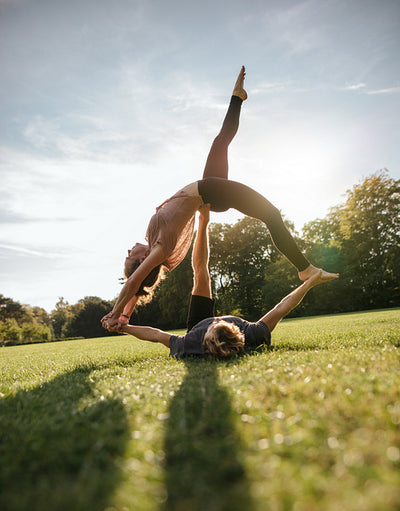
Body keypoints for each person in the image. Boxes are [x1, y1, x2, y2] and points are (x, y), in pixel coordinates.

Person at [101, 66, 338, 331]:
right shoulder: (160, 250)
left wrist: (123, 316)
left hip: (209, 193)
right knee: (271, 214)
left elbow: (136, 289)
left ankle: (238, 97)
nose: (128, 251)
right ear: (140, 261)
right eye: (129, 257)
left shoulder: (151, 239)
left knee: (221, 142)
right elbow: (134, 283)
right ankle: (305, 269)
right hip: (210, 192)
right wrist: (114, 312)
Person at [107, 204, 338, 358]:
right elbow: (282, 307)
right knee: (202, 272)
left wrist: (125, 329)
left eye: (213, 327)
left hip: (197, 324)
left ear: (205, 343)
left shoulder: (191, 342)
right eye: (220, 325)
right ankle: (204, 221)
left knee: (200, 273)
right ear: (235, 330)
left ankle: (204, 220)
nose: (215, 321)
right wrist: (309, 282)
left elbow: (156, 335)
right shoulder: (251, 333)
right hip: (222, 336)